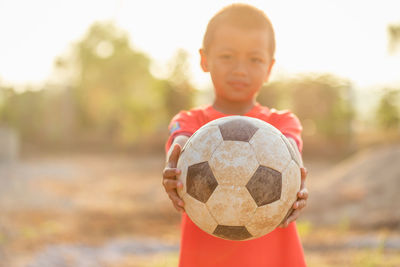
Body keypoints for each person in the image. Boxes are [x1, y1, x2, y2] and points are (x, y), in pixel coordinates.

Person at [162, 4, 308, 267]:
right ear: (204, 59)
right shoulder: (189, 122)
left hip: (273, 259)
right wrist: (176, 158)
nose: (240, 69)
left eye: (254, 59)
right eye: (228, 56)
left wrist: (298, 177)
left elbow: (291, 147)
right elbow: (181, 141)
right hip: (206, 258)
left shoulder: (282, 123)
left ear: (270, 67)